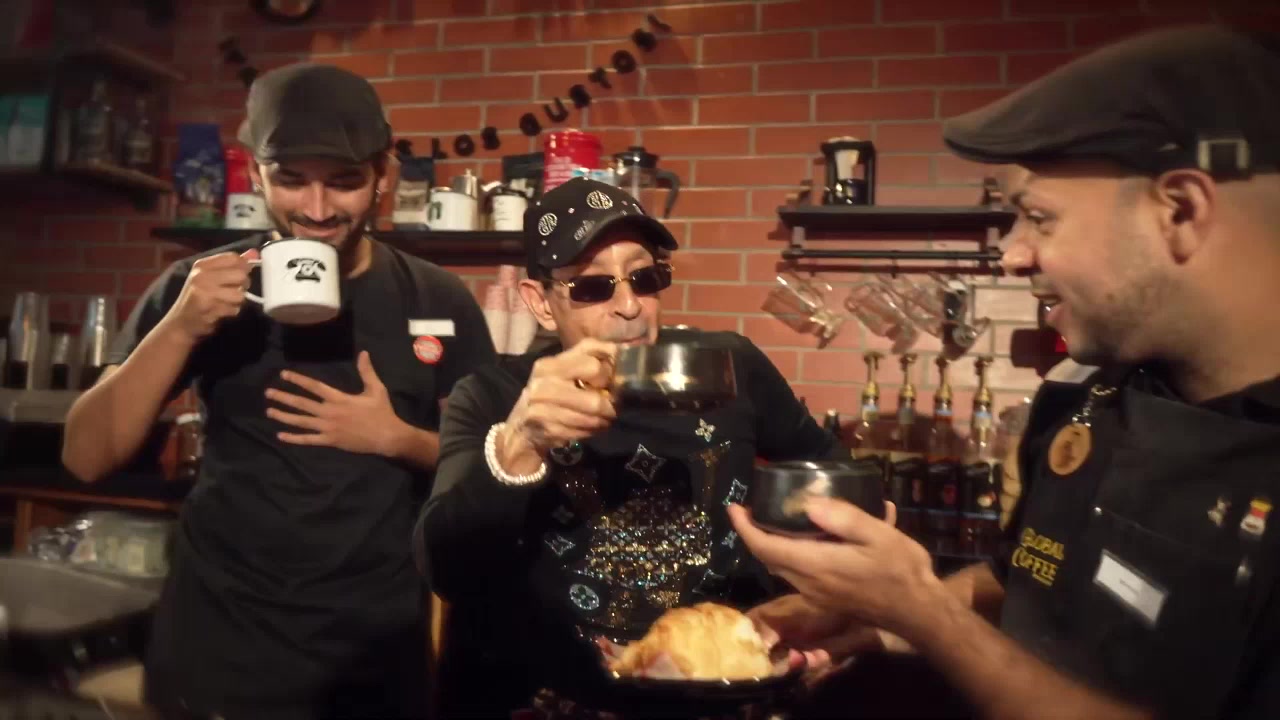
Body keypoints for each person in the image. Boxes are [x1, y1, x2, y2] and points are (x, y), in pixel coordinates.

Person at [728, 25, 1280, 720]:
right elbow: (1020, 581)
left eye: (1039, 219)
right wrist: (875, 620)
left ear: (1180, 211)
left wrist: (925, 613)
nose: (1013, 256)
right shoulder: (1080, 397)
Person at [61, 63, 496, 719]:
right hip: (218, 647)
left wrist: (397, 439)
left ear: (383, 173)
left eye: (344, 181)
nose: (317, 210)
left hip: (375, 655)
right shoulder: (198, 286)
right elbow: (85, 456)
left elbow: (496, 463)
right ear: (255, 173)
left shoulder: (437, 298)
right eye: (291, 180)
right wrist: (180, 327)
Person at [415, 177, 849, 718]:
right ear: (541, 304)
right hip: (563, 699)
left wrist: (813, 596)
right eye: (593, 287)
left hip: (721, 692)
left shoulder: (725, 366)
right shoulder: (495, 396)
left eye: (645, 278)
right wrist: (522, 442)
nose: (629, 306)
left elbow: (830, 470)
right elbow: (446, 569)